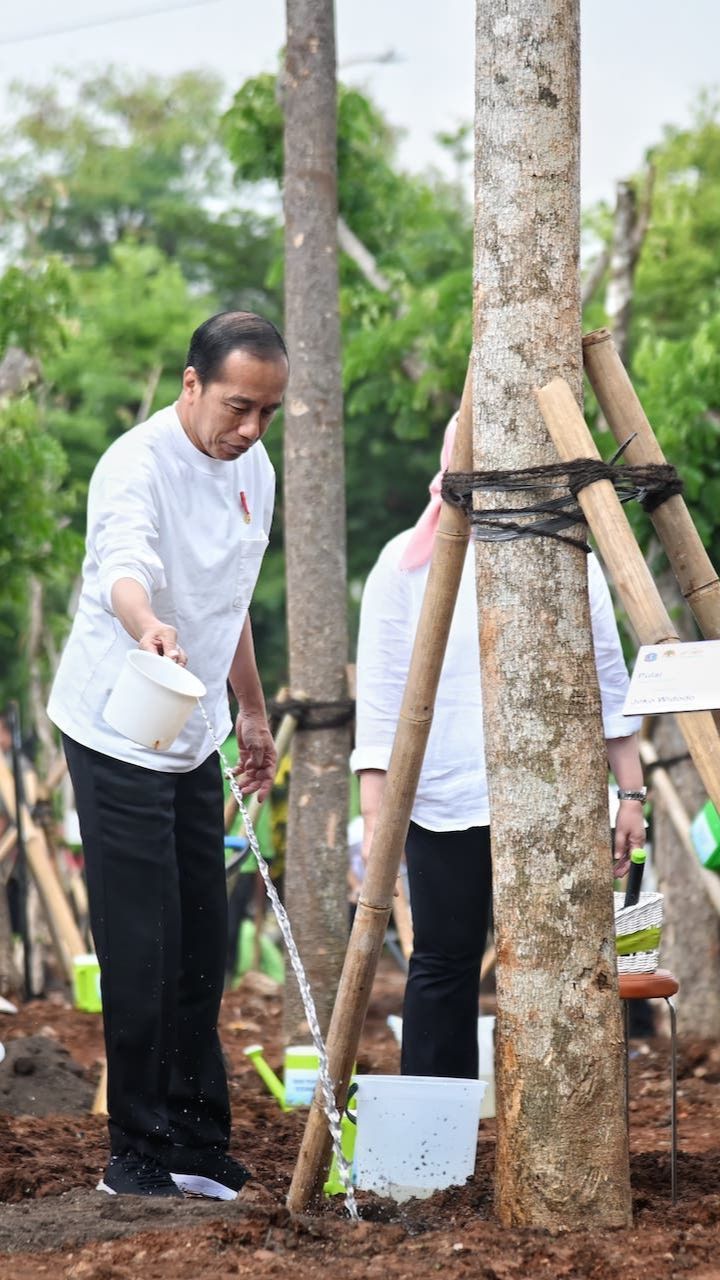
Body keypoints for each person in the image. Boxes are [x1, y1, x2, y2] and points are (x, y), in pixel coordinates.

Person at [47, 311, 289, 1198]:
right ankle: (135, 1155)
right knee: (141, 942)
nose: (251, 428)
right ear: (192, 385)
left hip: (193, 729)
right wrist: (148, 626)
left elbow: (231, 602)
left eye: (268, 411)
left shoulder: (252, 469)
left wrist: (253, 716)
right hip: (119, 721)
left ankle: (192, 1139)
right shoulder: (135, 465)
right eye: (237, 406)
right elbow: (124, 567)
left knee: (199, 939)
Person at [351, 413, 647, 1080]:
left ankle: (557, 1122)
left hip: (553, 798)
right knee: (444, 961)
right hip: (441, 800)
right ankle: (438, 1145)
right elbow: (379, 704)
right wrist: (376, 819)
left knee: (559, 964)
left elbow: (608, 681)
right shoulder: (404, 567)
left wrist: (630, 795)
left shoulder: (568, 557)